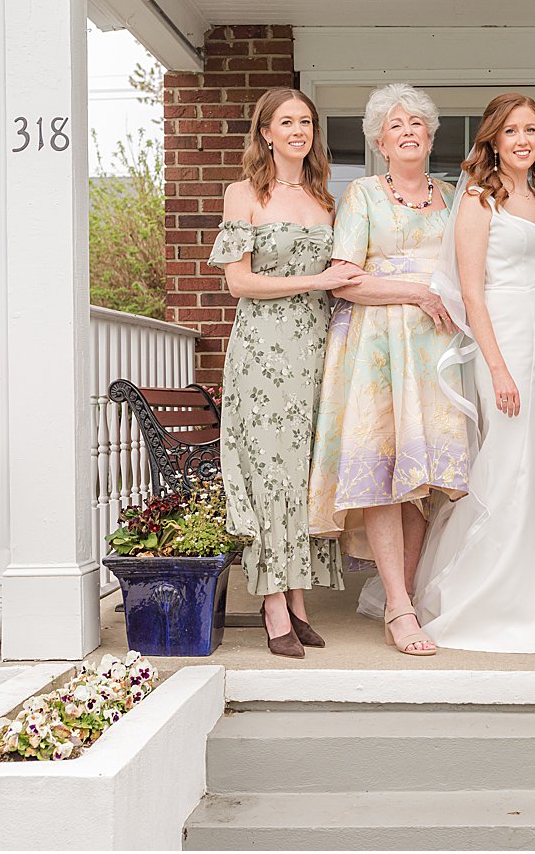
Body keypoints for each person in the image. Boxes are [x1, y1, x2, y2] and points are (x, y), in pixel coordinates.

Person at [414, 94, 535, 652]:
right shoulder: (477, 201)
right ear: (492, 139)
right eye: (511, 131)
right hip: (504, 340)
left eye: (531, 131)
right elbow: (470, 291)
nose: (523, 140)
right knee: (510, 459)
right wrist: (497, 367)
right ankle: (486, 598)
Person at [308, 83, 467, 657]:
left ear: (430, 137)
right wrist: (415, 293)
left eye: (416, 124)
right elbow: (344, 277)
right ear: (380, 141)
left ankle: (411, 593)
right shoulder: (361, 196)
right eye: (395, 126)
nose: (407, 132)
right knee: (382, 472)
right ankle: (399, 608)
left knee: (424, 483)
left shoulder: (452, 196)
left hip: (437, 353)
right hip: (377, 349)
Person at [210, 87, 357, 659]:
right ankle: (272, 605)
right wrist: (315, 282)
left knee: (304, 472)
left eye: (306, 121)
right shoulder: (243, 194)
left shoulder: (327, 198)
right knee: (270, 470)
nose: (299, 130)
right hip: (264, 351)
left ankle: (299, 602)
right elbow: (238, 283)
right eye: (287, 122)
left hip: (318, 349)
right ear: (265, 132)